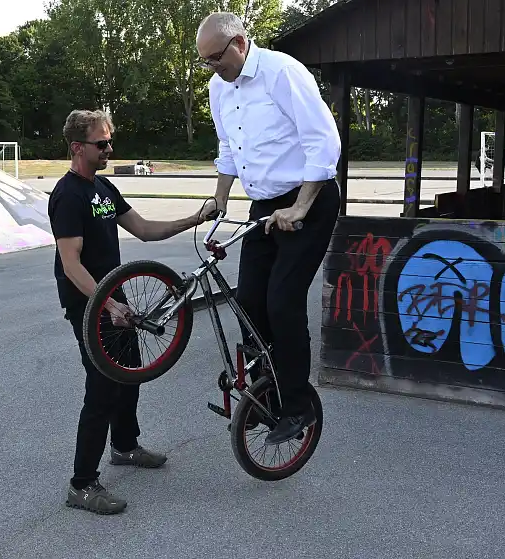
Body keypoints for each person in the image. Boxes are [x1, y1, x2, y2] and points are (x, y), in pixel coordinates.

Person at [48, 109, 207, 515]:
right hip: (89, 304)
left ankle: (124, 446)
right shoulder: (67, 196)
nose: (109, 149)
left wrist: (195, 218)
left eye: (110, 141)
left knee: (131, 373)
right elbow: (71, 264)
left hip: (115, 301)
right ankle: (81, 484)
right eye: (102, 144)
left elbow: (144, 229)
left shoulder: (104, 189)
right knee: (102, 389)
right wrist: (110, 303)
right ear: (77, 147)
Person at [195, 12, 342, 446]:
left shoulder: (283, 72)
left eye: (216, 58)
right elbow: (227, 146)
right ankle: (268, 395)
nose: (212, 68)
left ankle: (297, 406)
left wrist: (299, 207)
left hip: (309, 200)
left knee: (282, 301)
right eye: (205, 62)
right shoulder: (218, 87)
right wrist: (220, 197)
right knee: (248, 301)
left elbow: (324, 141)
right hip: (265, 205)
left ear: (240, 43)